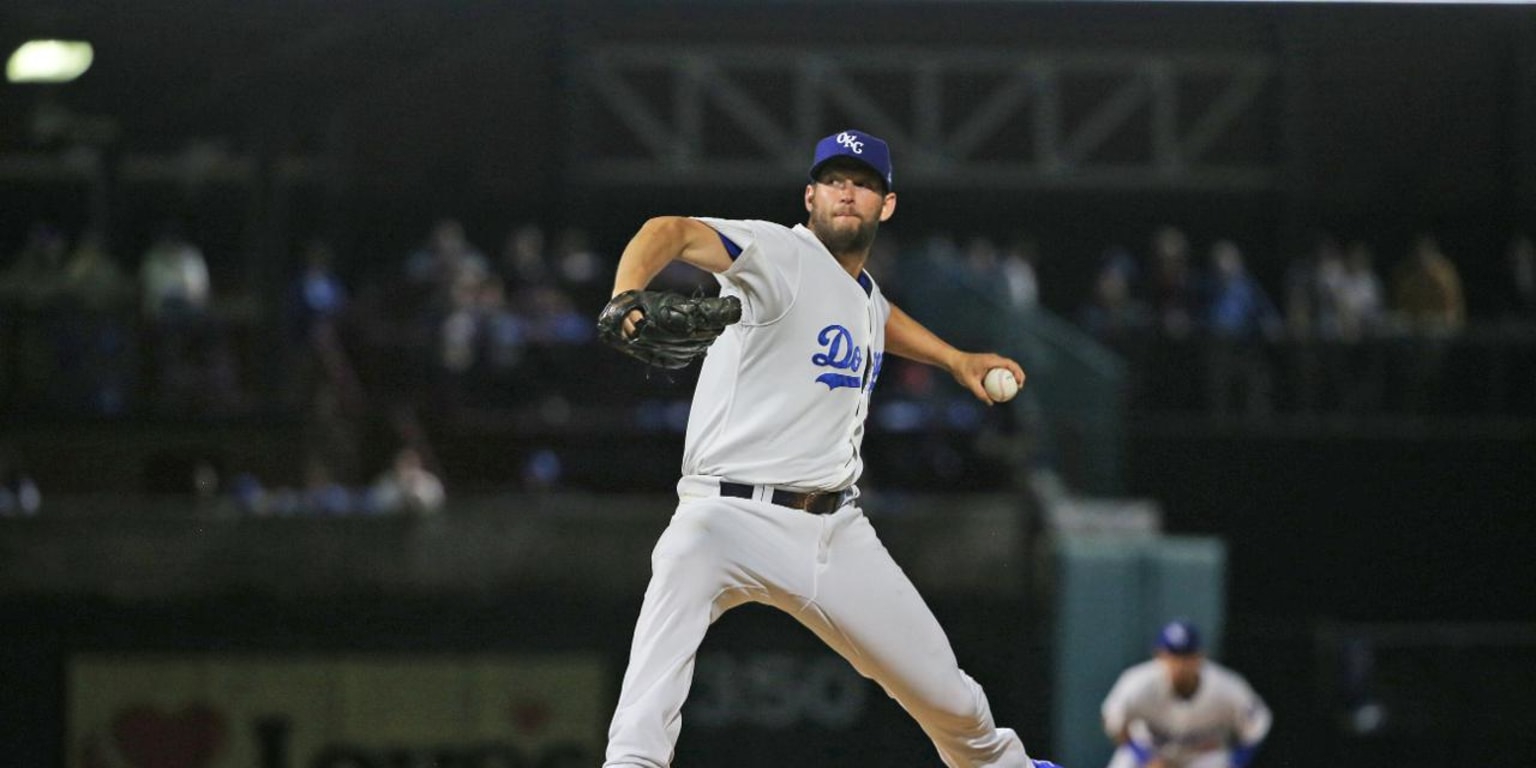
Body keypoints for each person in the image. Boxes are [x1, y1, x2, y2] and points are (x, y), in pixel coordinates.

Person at [600, 129, 1057, 768]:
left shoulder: (862, 292)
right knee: (645, 710)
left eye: (864, 183)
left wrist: (956, 360)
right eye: (836, 180)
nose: (848, 192)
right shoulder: (778, 251)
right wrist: (626, 294)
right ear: (810, 194)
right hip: (723, 514)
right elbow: (668, 229)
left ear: (885, 205)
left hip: (834, 529)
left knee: (953, 701)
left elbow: (877, 315)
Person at [1099, 621, 1271, 768]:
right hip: (1151, 751)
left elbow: (1257, 727)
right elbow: (1113, 720)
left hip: (1202, 757)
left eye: (1186, 656)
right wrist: (1144, 757)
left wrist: (1235, 763)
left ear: (1200, 656)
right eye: (1173, 656)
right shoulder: (1137, 682)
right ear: (1160, 656)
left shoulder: (1227, 687)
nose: (1180, 664)